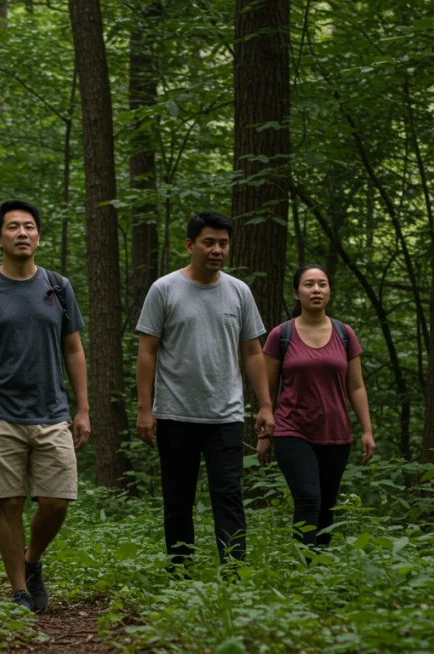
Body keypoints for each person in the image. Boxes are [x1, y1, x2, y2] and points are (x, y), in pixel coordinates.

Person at [0, 200, 90, 612]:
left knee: (57, 501)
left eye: (29, 227)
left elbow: (74, 350)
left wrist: (82, 409)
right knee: (9, 502)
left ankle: (32, 562)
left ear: (39, 237)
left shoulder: (59, 287)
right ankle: (19, 591)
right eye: (13, 227)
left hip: (52, 410)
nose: (22, 233)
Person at [135, 211, 273, 566]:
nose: (216, 250)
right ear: (189, 245)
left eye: (223, 244)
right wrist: (144, 410)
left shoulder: (239, 291)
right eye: (208, 242)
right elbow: (147, 353)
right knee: (177, 498)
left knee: (228, 495)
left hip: (224, 414)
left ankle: (233, 571)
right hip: (174, 413)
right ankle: (180, 573)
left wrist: (265, 404)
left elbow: (253, 352)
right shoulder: (164, 289)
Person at [258, 264, 375, 548]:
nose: (316, 290)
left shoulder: (344, 334)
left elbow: (356, 386)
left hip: (336, 433)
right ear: (296, 293)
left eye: (322, 284)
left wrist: (367, 431)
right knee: (308, 498)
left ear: (329, 291)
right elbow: (267, 390)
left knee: (327, 506)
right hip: (291, 430)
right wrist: (264, 435)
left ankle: (319, 568)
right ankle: (304, 564)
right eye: (309, 284)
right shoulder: (281, 335)